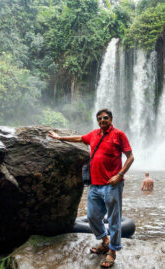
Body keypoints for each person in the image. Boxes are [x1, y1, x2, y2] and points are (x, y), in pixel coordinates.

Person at [49, 108, 134, 268]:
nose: (102, 120)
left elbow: (130, 157)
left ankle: (112, 252)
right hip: (95, 185)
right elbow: (79, 138)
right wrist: (59, 137)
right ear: (97, 121)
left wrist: (120, 175)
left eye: (105, 117)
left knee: (114, 219)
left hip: (112, 185)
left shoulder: (119, 135)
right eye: (100, 118)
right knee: (92, 216)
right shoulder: (93, 134)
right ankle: (105, 241)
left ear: (111, 119)